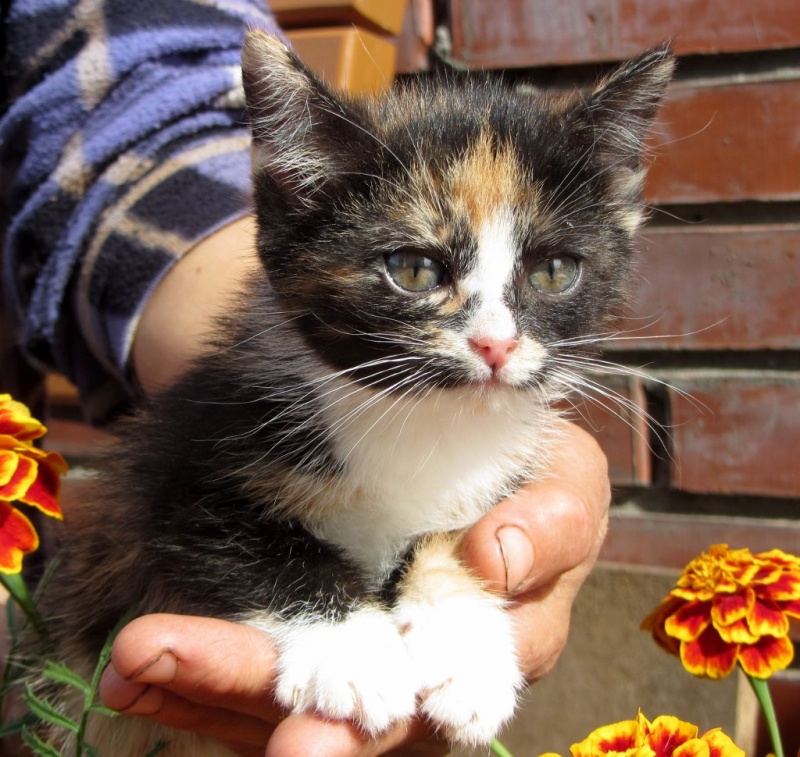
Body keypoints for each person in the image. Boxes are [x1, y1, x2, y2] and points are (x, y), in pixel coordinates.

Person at [0, 1, 611, 754]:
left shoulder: (509, 449)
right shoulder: (260, 431)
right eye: (418, 268)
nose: (497, 337)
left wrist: (449, 593)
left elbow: (141, 99)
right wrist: (326, 615)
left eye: (550, 272)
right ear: (297, 198)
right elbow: (203, 517)